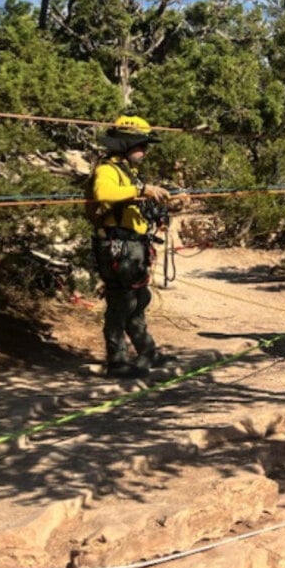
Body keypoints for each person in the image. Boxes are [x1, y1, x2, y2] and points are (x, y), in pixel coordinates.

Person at [90, 115, 172, 379]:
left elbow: (137, 203)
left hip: (133, 244)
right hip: (117, 245)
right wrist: (143, 189)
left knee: (139, 299)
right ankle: (117, 361)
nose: (145, 151)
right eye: (141, 145)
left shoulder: (129, 173)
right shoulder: (107, 170)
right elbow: (103, 193)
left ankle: (147, 351)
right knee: (121, 302)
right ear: (125, 144)